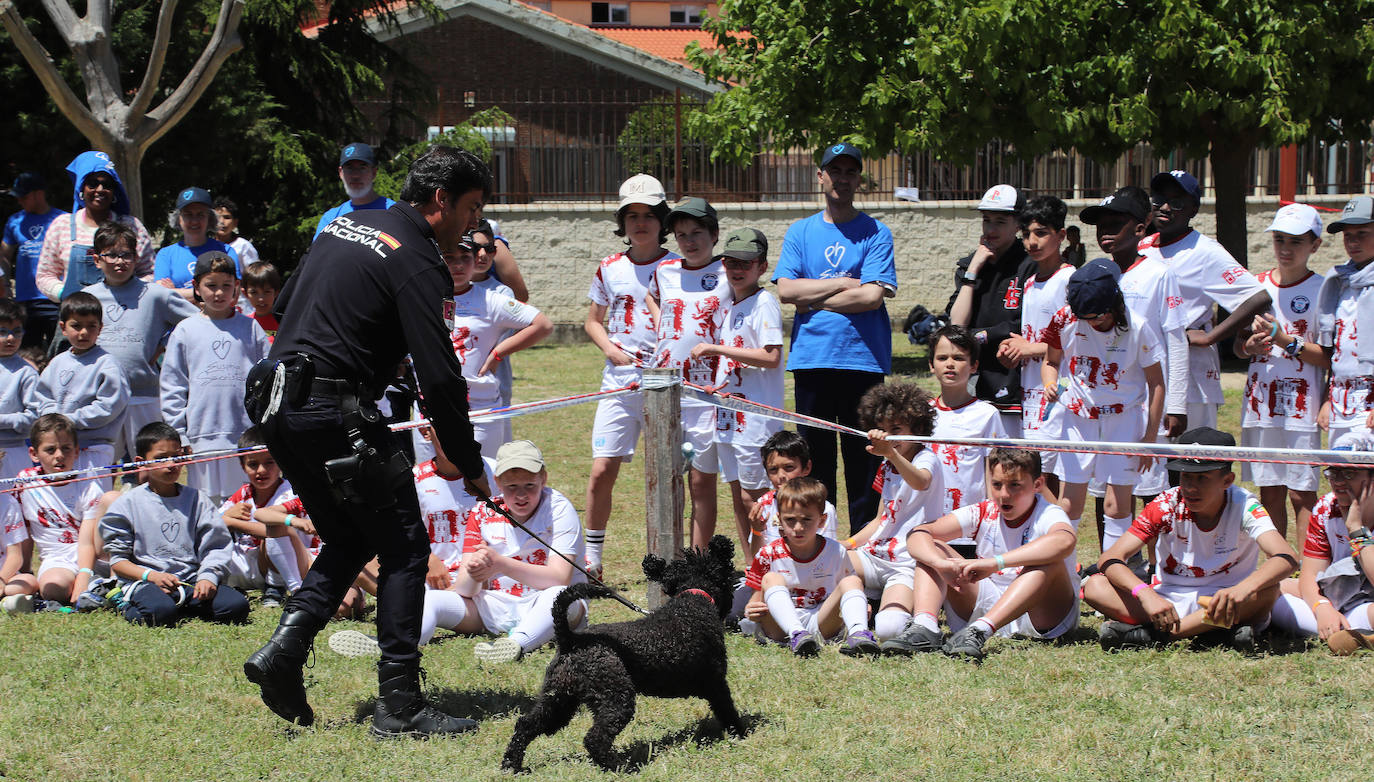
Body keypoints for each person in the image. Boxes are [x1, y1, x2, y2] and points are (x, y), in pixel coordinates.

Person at [242, 145, 490, 739]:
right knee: (405, 548)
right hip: (331, 409)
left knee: (352, 537)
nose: (474, 224)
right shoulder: (419, 259)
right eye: (472, 208)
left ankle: (283, 652)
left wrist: (373, 360)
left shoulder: (345, 226)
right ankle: (399, 708)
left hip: (278, 406)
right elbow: (440, 376)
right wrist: (469, 462)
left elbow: (282, 308)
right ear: (440, 201)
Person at [1084, 427, 1299, 651]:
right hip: (1168, 600)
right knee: (1094, 586)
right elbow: (1110, 558)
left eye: (1202, 478)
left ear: (1227, 480)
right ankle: (1216, 633)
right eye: (1185, 476)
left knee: (1268, 591)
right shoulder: (1167, 502)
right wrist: (1145, 593)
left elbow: (1286, 557)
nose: (1190, 488)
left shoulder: (1244, 504)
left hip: (1228, 601)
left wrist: (1242, 589)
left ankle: (1159, 635)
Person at [774, 143, 897, 532]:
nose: (842, 178)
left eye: (850, 172)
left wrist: (815, 297)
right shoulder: (800, 232)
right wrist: (845, 282)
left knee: (865, 464)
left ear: (858, 179)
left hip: (863, 362)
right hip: (812, 361)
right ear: (820, 176)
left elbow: (872, 296)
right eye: (835, 170)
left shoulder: (876, 232)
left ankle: (864, 554)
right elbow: (787, 292)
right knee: (816, 466)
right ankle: (818, 547)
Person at [897, 448, 1080, 660]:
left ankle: (979, 631)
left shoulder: (1049, 512)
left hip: (1042, 614)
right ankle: (925, 627)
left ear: (1037, 485)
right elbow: (918, 534)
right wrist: (940, 564)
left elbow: (1065, 541)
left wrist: (996, 563)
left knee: (1049, 562)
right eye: (997, 485)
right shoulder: (985, 510)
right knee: (932, 548)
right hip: (990, 599)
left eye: (1015, 485)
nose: (1003, 495)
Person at [583, 173, 676, 576]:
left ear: (662, 220)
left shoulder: (677, 266)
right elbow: (592, 321)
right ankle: (593, 558)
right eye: (632, 215)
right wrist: (610, 349)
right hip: (619, 381)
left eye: (649, 215)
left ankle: (672, 559)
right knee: (603, 468)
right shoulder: (609, 267)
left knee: (670, 472)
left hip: (666, 382)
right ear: (622, 222)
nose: (641, 223)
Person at [1042, 259, 1164, 557]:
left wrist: (1149, 439)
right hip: (1078, 418)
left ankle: (1115, 573)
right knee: (1069, 502)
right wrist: (1050, 382)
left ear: (1113, 305)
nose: (1089, 323)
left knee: (1117, 503)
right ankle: (1064, 575)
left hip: (1123, 420)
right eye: (1082, 316)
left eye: (1095, 317)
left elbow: (1156, 383)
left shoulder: (1138, 327)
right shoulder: (1065, 319)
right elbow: (1051, 361)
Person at [421, 440, 584, 663]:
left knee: (560, 596)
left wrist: (501, 564)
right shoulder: (482, 512)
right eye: (511, 487)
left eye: (529, 485)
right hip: (492, 606)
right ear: (497, 482)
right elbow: (465, 590)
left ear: (543, 479)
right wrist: (475, 571)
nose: (521, 495)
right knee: (431, 599)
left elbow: (559, 577)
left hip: (545, 605)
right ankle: (397, 643)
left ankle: (515, 645)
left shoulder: (558, 508)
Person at [1078, 186, 1189, 508]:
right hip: (1104, 399)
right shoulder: (1095, 277)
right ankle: (1110, 558)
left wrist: (1176, 404)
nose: (1106, 233)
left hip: (1145, 400)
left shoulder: (1159, 274)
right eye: (1101, 226)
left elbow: (1176, 340)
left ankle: (1154, 559)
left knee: (1148, 485)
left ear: (1141, 228)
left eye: (1116, 224)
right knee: (1105, 487)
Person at [1142, 170, 1271, 428]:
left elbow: (1258, 296)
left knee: (1191, 461)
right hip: (1149, 370)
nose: (1165, 207)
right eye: (1159, 198)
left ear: (1193, 209)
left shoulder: (1205, 251)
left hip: (1192, 379)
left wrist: (1211, 336)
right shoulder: (1142, 246)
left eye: (1177, 202)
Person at [1234, 204, 1327, 543]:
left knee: (1302, 492)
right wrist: (1251, 348)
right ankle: (1279, 564)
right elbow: (1238, 346)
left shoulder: (1323, 288)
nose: (1286, 250)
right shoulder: (1256, 286)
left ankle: (1308, 569)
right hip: (1261, 404)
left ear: (1314, 246)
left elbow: (1329, 358)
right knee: (1269, 489)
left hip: (1303, 405)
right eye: (1279, 240)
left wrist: (1283, 339)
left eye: (1297, 242)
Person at [99, 421, 251, 627]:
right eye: (161, 459)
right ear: (141, 462)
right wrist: (151, 576)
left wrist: (208, 577)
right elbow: (118, 562)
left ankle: (181, 604)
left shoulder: (198, 500)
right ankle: (125, 603)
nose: (171, 464)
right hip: (145, 582)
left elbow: (216, 546)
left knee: (237, 606)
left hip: (189, 582)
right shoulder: (126, 505)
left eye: (176, 456)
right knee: (160, 614)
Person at [693, 227, 783, 560]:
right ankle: (752, 567)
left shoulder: (764, 303)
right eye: (731, 261)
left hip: (756, 421)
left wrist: (718, 349)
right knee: (737, 495)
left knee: (756, 498)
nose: (737, 269)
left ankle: (770, 568)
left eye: (746, 262)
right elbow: (741, 359)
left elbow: (771, 356)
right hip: (729, 416)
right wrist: (720, 385)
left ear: (762, 267)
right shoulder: (732, 305)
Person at [84, 221, 199, 465]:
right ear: (97, 260)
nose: (119, 261)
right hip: (100, 397)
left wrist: (166, 343)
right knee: (100, 463)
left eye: (125, 255)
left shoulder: (155, 294)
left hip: (144, 394)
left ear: (136, 259)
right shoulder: (89, 297)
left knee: (150, 463)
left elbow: (196, 322)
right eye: (111, 254)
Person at [161, 252, 271, 504]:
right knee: (207, 504)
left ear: (236, 288)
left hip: (245, 436)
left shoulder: (251, 328)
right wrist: (181, 434)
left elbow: (268, 379)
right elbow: (172, 387)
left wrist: (265, 426)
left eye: (226, 286)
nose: (219, 293)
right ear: (196, 287)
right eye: (211, 286)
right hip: (203, 437)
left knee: (246, 502)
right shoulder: (185, 330)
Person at [648, 197, 725, 548]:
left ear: (714, 234)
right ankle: (668, 554)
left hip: (707, 393)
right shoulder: (665, 271)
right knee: (666, 478)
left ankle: (698, 556)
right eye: (681, 235)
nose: (689, 241)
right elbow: (653, 299)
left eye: (697, 233)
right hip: (666, 392)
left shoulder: (728, 273)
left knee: (700, 481)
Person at [437, 232, 551, 468]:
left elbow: (543, 325)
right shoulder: (422, 297)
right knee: (438, 482)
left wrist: (499, 352)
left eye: (465, 257)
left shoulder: (491, 299)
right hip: (433, 407)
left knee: (485, 478)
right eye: (450, 257)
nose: (458, 265)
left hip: (481, 407)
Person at [845, 382, 945, 643]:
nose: (889, 437)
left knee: (890, 629)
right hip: (874, 556)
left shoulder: (926, 459)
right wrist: (850, 543)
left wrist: (890, 453)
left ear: (919, 428)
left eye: (897, 430)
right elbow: (881, 519)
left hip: (906, 564)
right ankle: (859, 613)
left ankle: (884, 607)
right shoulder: (888, 464)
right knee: (830, 560)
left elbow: (920, 481)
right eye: (884, 431)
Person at [742, 477, 875, 656]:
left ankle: (859, 634)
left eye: (806, 520)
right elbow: (755, 601)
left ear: (821, 520)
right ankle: (797, 634)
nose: (798, 527)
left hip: (822, 621)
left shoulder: (835, 551)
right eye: (790, 520)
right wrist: (752, 610)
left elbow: (848, 589)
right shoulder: (768, 553)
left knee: (851, 580)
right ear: (779, 519)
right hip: (780, 629)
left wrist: (859, 604)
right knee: (771, 578)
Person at [996, 195, 1074, 497]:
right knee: (1035, 468)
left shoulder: (1070, 279)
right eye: (1026, 234)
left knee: (1047, 473)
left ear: (1061, 235)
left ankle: (1059, 536)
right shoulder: (1029, 282)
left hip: (1057, 390)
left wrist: (1031, 349)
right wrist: (1015, 352)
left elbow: (1075, 342)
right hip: (1029, 390)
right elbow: (1030, 338)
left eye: (1041, 233)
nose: (1032, 241)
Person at [1270, 433, 1374, 652]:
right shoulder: (1326, 508)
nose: (1337, 481)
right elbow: (1309, 574)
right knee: (1269, 589)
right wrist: (1322, 608)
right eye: (1332, 472)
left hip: (1368, 602)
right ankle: (1347, 632)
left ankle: (1343, 632)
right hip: (1334, 593)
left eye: (1348, 473)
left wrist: (1356, 530)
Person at [946, 184, 1034, 436]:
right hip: (974, 377)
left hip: (1014, 380)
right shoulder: (971, 264)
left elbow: (1020, 323)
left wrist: (978, 337)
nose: (991, 229)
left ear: (1018, 224)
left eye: (1000, 221)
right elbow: (957, 324)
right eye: (986, 220)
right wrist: (972, 272)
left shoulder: (1029, 265)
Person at [36, 292, 130, 489]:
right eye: (76, 326)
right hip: (60, 448)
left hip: (94, 447)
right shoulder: (57, 362)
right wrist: (54, 422)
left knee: (93, 501)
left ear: (100, 328)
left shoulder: (107, 364)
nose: (84, 332)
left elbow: (108, 407)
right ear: (63, 327)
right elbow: (43, 397)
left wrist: (69, 421)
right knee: (63, 500)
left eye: (91, 326)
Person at [36, 151, 154, 306]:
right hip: (76, 318)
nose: (100, 189)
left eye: (107, 185)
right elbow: (45, 274)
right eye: (92, 183)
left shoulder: (132, 226)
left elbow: (150, 271)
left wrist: (131, 292)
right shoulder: (61, 226)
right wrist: (64, 294)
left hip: (124, 313)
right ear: (81, 189)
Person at [12, 414, 105, 607]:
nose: (59, 455)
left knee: (112, 499)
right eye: (50, 450)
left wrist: (82, 576)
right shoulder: (25, 482)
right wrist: (25, 571)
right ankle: (93, 586)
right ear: (33, 454)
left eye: (66, 448)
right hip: (57, 558)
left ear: (77, 451)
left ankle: (95, 581)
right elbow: (24, 530)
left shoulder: (88, 484)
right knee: (52, 589)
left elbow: (87, 541)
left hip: (91, 554)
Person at [928, 325, 1006, 515]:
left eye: (959, 358)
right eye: (942, 358)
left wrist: (992, 515)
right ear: (931, 365)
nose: (950, 364)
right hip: (927, 521)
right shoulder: (921, 413)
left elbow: (994, 471)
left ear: (974, 366)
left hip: (969, 523)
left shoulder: (987, 414)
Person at [1317, 195, 1374, 444]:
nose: (1353, 242)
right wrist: (1328, 398)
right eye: (1348, 235)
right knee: (1342, 475)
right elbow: (1337, 350)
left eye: (1362, 233)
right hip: (1341, 397)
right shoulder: (1339, 281)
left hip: (1369, 397)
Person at [218, 428, 297, 605]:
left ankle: (275, 588)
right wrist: (226, 515)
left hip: (274, 565)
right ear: (242, 465)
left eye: (269, 463)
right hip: (242, 564)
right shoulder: (243, 493)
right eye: (253, 464)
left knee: (270, 538)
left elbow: (276, 531)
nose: (261, 470)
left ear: (280, 461)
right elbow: (213, 522)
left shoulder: (289, 494)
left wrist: (231, 522)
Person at [745, 430, 839, 558]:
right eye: (773, 469)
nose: (781, 476)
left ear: (806, 468)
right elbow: (757, 558)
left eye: (789, 467)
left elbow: (828, 555)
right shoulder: (764, 505)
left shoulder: (823, 508)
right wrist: (756, 530)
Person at [1, 172, 65, 349]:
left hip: (55, 298)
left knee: (60, 350)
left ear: (39, 194)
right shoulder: (15, 221)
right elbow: (5, 255)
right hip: (25, 300)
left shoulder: (63, 220)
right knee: (26, 352)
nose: (19, 201)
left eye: (24, 196)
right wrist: (6, 286)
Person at [154, 187, 240, 302]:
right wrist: (212, 293)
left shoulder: (226, 251)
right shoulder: (165, 255)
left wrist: (175, 292)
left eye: (200, 214)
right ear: (178, 218)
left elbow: (233, 295)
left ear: (210, 218)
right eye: (188, 214)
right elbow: (161, 296)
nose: (194, 221)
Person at [313, 142, 396, 239]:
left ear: (374, 173)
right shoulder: (330, 218)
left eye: (362, 168)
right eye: (349, 168)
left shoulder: (393, 213)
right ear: (341, 173)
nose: (355, 175)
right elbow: (317, 253)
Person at [0, 299, 40, 477]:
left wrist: (3, 420)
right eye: (2, 332)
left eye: (16, 332)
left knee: (14, 501)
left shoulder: (27, 372)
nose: (10, 338)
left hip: (13, 451)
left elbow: (34, 416)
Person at [213, 196, 260, 265]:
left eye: (227, 217)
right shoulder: (205, 245)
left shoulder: (243, 246)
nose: (221, 221)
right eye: (217, 217)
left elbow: (254, 274)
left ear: (235, 222)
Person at [243, 261, 283, 341]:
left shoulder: (285, 324)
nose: (261, 299)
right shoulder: (242, 324)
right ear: (246, 294)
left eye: (267, 292)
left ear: (276, 292)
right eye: (254, 292)